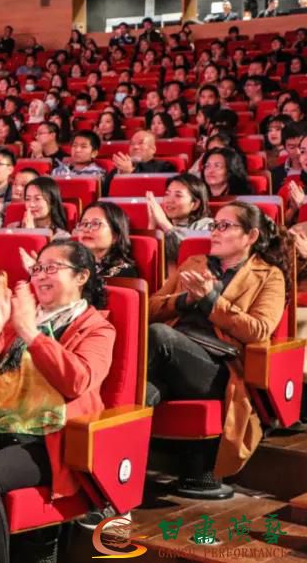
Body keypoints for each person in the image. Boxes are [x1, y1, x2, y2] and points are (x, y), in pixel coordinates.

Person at [0, 241, 115, 563]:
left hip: (43, 440)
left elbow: (77, 382)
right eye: (37, 268)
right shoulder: (23, 317)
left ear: (81, 276)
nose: (41, 275)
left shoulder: (96, 327)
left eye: (52, 268)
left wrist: (31, 333)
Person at [147, 201, 288, 491]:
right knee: (149, 382)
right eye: (214, 225)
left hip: (219, 367)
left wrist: (211, 301)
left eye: (225, 226)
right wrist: (185, 300)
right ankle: (121, 477)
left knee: (159, 336)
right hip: (174, 355)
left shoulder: (268, 275)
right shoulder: (194, 263)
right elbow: (149, 307)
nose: (214, 232)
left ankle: (116, 467)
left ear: (251, 236)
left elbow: (259, 330)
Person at [146, 174, 215, 267]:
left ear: (195, 204)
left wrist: (164, 223)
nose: (169, 200)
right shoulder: (162, 228)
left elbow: (190, 251)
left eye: (178, 195)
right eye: (167, 194)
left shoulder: (208, 224)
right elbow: (150, 264)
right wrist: (152, 224)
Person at [74, 202, 139, 278]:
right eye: (84, 223)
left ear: (115, 236)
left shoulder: (123, 273)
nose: (86, 229)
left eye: (95, 224)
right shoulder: (71, 263)